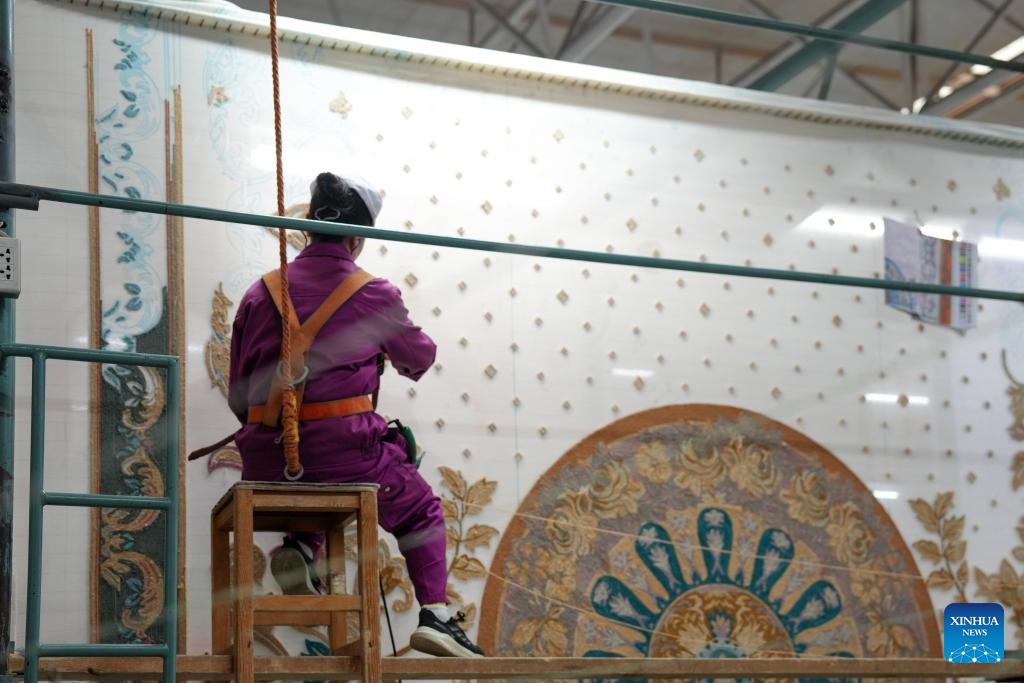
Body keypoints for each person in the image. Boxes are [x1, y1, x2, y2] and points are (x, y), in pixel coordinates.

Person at [227, 171, 485, 658]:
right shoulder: (372, 293)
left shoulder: (259, 292)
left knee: (312, 469)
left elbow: (237, 395)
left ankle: (302, 549)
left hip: (264, 461)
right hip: (343, 454)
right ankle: (435, 614)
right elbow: (420, 358)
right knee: (419, 507)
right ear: (358, 237)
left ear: (309, 228)